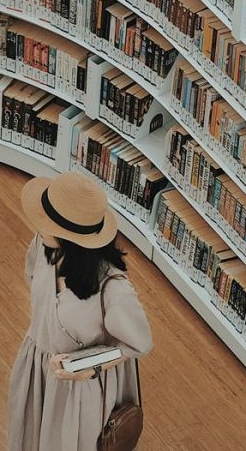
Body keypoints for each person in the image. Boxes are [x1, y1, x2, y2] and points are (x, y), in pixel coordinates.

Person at [8, 171, 154, 450]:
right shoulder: (44, 244)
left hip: (79, 390)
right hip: (37, 371)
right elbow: (33, 279)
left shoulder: (114, 289)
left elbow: (139, 344)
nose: (41, 226)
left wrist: (89, 365)